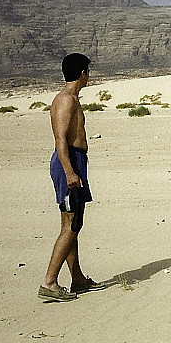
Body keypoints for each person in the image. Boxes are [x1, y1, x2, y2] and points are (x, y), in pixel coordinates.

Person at [39, 53, 104, 301]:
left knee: (72, 224)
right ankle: (49, 281)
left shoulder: (71, 99)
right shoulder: (66, 100)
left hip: (75, 161)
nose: (89, 76)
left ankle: (77, 279)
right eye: (88, 71)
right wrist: (69, 171)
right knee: (72, 224)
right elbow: (60, 140)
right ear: (82, 73)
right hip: (69, 162)